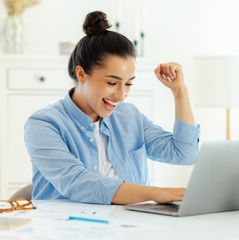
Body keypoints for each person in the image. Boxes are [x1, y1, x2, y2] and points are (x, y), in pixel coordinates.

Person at [24, 11, 200, 205]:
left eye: (128, 84)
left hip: (129, 226)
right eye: (111, 83)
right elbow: (79, 183)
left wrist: (179, 90)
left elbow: (185, 154)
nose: (121, 95)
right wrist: (152, 193)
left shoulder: (129, 116)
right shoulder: (43, 124)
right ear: (81, 74)